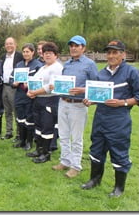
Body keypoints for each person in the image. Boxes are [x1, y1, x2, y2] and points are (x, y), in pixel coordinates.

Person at [81, 40, 139, 197]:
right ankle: (94, 180)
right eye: (109, 52)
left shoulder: (132, 72)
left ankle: (119, 188)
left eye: (115, 52)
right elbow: (97, 95)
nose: (111, 55)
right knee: (96, 149)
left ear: (123, 54)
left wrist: (123, 102)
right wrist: (90, 100)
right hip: (100, 118)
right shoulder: (102, 73)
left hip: (118, 120)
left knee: (119, 153)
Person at [51, 35, 98, 178]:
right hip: (63, 102)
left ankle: (75, 166)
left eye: (77, 46)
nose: (73, 48)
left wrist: (83, 90)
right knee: (63, 135)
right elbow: (64, 83)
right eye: (71, 45)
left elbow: (96, 86)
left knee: (76, 137)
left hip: (77, 105)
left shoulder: (90, 64)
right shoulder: (68, 64)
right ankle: (65, 160)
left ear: (83, 48)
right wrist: (56, 86)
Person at [26, 42, 63, 163]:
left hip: (49, 100)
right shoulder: (43, 67)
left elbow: (51, 86)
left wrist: (34, 92)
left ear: (56, 55)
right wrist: (30, 90)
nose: (47, 55)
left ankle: (46, 154)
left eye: (50, 53)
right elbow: (35, 81)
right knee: (39, 125)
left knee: (47, 126)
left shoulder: (57, 67)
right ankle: (39, 149)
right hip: (38, 99)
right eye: (45, 53)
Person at [11, 43, 43, 150]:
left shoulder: (38, 65)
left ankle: (29, 141)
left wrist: (29, 84)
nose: (25, 54)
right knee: (20, 118)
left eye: (28, 52)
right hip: (19, 95)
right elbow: (11, 78)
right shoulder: (19, 65)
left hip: (31, 96)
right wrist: (14, 83)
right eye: (24, 52)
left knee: (29, 118)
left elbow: (40, 82)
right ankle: (22, 140)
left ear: (33, 52)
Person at [1, 37, 23, 140]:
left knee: (16, 111)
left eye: (11, 43)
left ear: (15, 44)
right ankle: (9, 132)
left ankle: (19, 134)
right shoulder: (3, 57)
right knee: (7, 110)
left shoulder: (20, 56)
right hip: (4, 86)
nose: (9, 46)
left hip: (14, 88)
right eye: (7, 44)